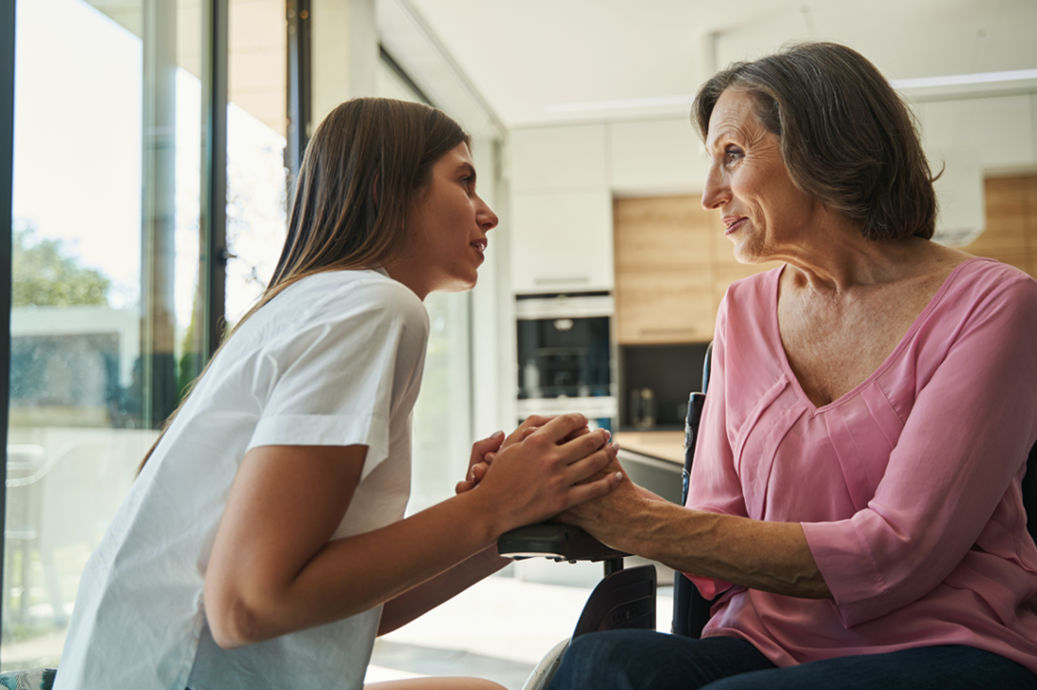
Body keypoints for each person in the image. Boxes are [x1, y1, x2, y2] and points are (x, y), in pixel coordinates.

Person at [53, 97, 622, 690]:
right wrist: (487, 508)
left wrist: (506, 523)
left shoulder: (316, 304)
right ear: (387, 191)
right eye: (464, 181)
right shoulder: (373, 306)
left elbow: (337, 613)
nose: (487, 214)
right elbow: (248, 605)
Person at [547, 42, 1037, 689]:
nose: (707, 194)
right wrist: (580, 487)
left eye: (732, 154)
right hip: (764, 645)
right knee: (596, 663)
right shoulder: (742, 311)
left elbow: (896, 551)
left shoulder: (995, 304)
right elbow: (713, 523)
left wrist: (637, 520)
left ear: (823, 148)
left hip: (946, 647)